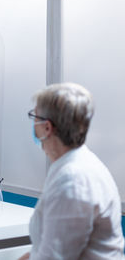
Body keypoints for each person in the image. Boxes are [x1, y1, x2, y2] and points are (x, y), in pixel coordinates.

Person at [19, 83, 124, 260]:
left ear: (47, 127)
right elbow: (43, 249)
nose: (33, 123)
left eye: (34, 117)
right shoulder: (71, 165)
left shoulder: (73, 180)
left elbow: (54, 257)